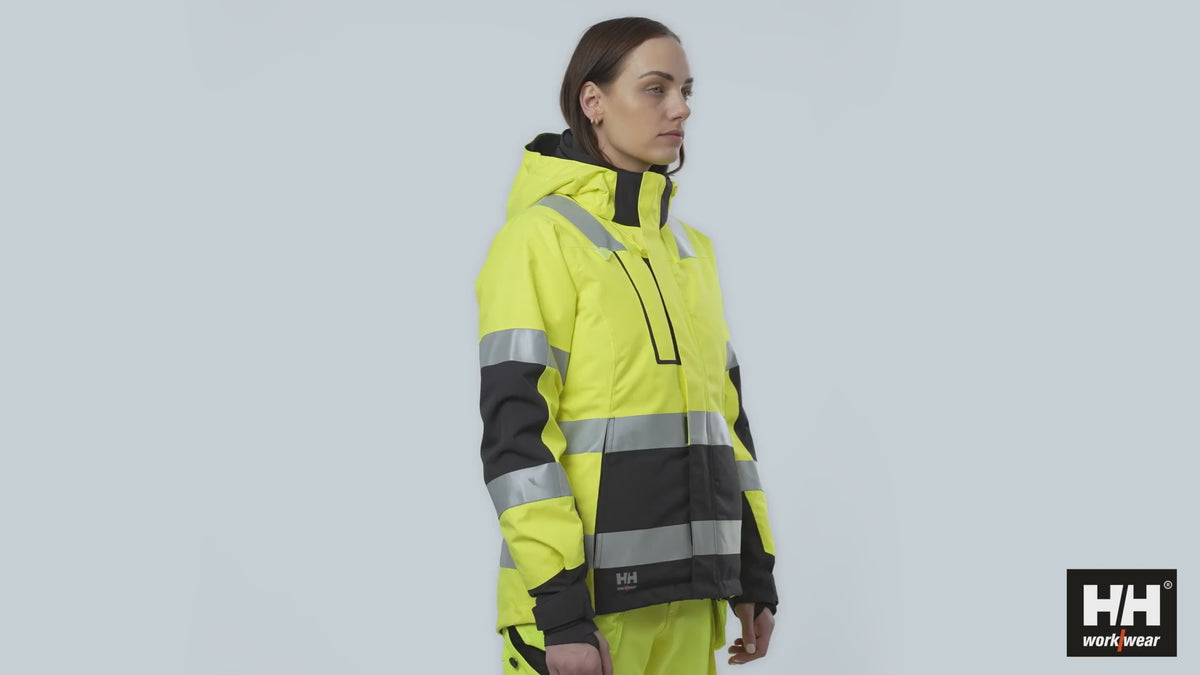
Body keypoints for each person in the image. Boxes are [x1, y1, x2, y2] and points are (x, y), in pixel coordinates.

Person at [475, 17, 779, 675]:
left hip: (691, 604)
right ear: (594, 101)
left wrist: (752, 570)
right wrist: (562, 614)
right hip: (585, 615)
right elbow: (516, 440)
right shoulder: (540, 241)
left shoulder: (692, 252)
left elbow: (727, 426)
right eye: (655, 88)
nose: (681, 108)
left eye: (686, 90)